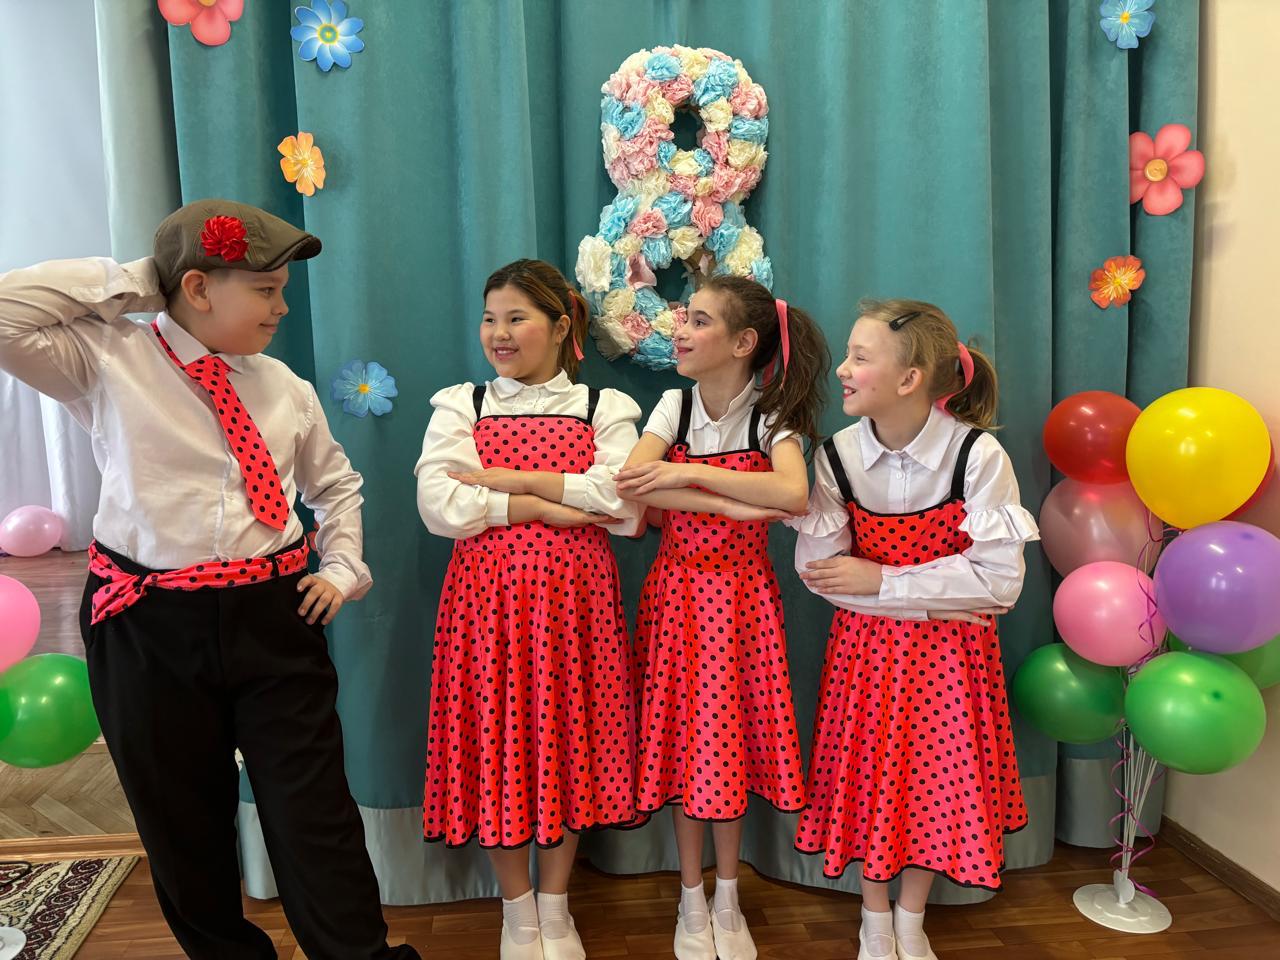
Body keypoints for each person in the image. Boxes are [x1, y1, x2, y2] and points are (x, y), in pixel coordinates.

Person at [0, 199, 417, 960]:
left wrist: (343, 566)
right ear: (196, 287)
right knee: (180, 819)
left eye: (281, 290)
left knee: (314, 814)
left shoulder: (284, 386)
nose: (282, 308)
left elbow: (336, 486)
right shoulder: (107, 359)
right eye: (265, 290)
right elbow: (6, 313)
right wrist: (143, 279)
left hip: (274, 616)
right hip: (147, 621)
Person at [792, 299, 1038, 960]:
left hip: (950, 665)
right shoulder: (838, 457)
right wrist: (937, 598)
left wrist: (881, 581)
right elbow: (820, 574)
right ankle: (874, 921)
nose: (842, 370)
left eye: (860, 358)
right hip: (867, 658)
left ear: (909, 379)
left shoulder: (977, 456)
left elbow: (1000, 584)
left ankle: (910, 918)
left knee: (935, 784)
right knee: (873, 781)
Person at [415, 259, 644, 960]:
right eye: (490, 318)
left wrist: (505, 487)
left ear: (560, 325)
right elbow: (439, 504)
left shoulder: (604, 408)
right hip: (486, 610)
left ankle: (556, 904)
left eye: (516, 317)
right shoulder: (462, 405)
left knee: (568, 745)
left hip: (577, 611)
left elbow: (621, 500)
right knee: (501, 746)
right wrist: (543, 507)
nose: (499, 333)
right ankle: (516, 912)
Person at [615, 275, 829, 960]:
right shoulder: (672, 407)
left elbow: (792, 492)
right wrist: (732, 500)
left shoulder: (772, 415)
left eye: (699, 320)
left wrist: (687, 478)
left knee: (728, 747)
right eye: (685, 316)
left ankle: (728, 895)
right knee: (685, 749)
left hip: (743, 606)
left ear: (743, 343)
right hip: (676, 600)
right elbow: (633, 483)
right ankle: (690, 895)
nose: (681, 330)